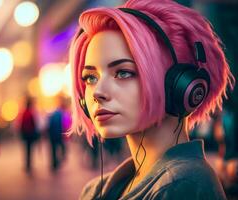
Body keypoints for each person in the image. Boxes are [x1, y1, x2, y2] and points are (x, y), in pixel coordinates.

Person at [68, 0, 235, 199]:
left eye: (123, 73)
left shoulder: (183, 185)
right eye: (90, 78)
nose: (97, 92)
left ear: (181, 87)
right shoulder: (96, 189)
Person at [18, 97, 40, 173]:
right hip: (30, 134)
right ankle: (29, 165)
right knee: (29, 149)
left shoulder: (24, 113)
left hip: (25, 134)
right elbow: (34, 124)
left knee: (27, 149)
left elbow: (21, 124)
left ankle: (27, 164)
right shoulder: (31, 113)